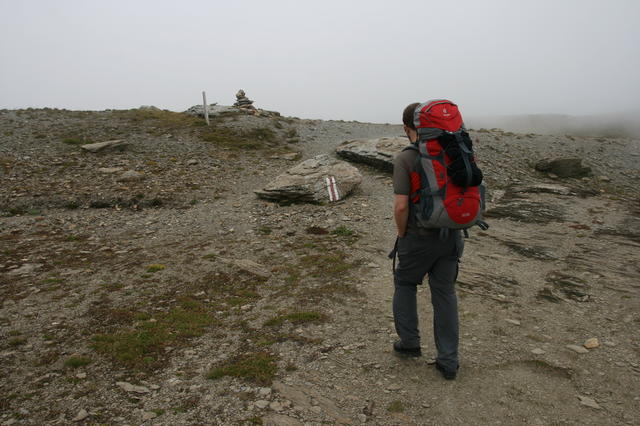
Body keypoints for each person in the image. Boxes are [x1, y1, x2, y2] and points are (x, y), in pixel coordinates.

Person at [391, 102, 464, 380]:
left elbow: (400, 207)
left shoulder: (406, 158)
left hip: (418, 238)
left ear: (407, 127)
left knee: (406, 283)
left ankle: (409, 344)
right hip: (452, 235)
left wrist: (401, 234)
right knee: (444, 293)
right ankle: (448, 360)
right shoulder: (455, 151)